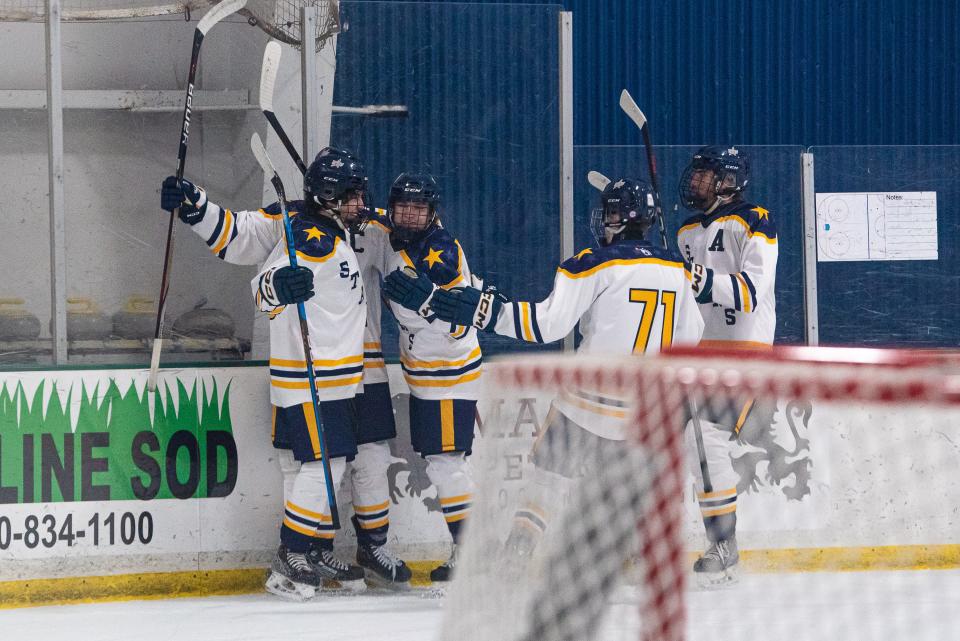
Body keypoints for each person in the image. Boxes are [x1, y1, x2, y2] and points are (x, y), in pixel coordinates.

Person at [386, 177, 704, 557]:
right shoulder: (680, 270)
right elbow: (692, 336)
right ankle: (646, 557)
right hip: (647, 408)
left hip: (589, 401)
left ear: (621, 219)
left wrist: (484, 310)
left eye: (611, 213)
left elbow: (546, 326)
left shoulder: (590, 264)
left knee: (549, 477)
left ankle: (518, 551)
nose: (604, 220)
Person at [159, 148, 407, 598]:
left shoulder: (344, 229)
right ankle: (292, 554)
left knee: (330, 465)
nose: (360, 205)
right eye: (350, 196)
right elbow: (252, 259)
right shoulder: (303, 233)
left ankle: (313, 549)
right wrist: (197, 206)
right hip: (311, 375)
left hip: (345, 374)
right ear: (329, 196)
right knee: (318, 466)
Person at [676, 145, 778, 586]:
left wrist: (699, 279)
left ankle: (724, 543)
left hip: (743, 349)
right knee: (667, 441)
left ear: (729, 179)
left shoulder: (755, 219)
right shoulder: (684, 229)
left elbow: (750, 292)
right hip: (697, 351)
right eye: (695, 172)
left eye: (705, 173)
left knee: (710, 441)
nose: (695, 179)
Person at [378, 173, 483, 582]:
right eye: (401, 205)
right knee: (443, 461)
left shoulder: (442, 253)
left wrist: (427, 303)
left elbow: (460, 324)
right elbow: (366, 216)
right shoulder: (393, 232)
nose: (408, 214)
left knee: (446, 465)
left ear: (432, 212)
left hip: (447, 374)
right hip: (427, 373)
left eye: (418, 208)